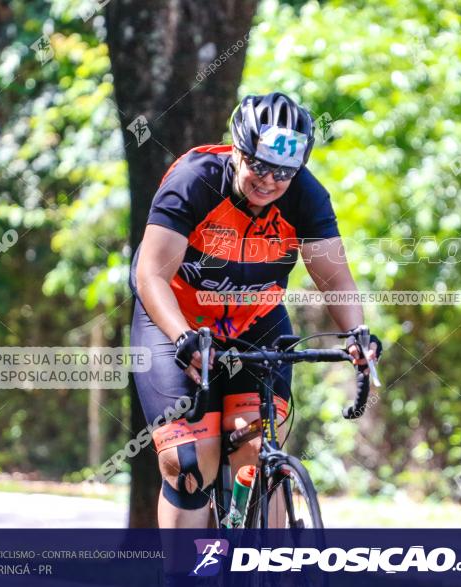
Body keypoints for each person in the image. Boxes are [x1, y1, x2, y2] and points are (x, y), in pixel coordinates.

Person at [130, 92, 382, 528]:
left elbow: (335, 279)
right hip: (176, 320)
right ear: (237, 150)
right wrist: (182, 339)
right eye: (259, 166)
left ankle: (262, 566)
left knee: (257, 451)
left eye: (283, 172)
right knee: (190, 463)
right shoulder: (195, 179)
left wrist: (357, 335)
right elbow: (150, 275)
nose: (269, 180)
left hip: (257, 322)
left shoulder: (306, 196)